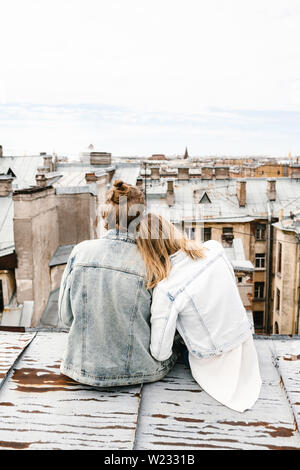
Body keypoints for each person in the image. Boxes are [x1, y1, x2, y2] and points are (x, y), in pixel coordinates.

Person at [58, 181, 179, 387]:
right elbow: (161, 327)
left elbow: (66, 318)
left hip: (80, 368)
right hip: (140, 371)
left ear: (106, 215)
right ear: (141, 217)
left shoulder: (81, 251)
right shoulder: (152, 261)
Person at [136, 213, 262, 412]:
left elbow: (160, 353)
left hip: (214, 363)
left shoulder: (167, 288)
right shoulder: (215, 249)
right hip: (245, 346)